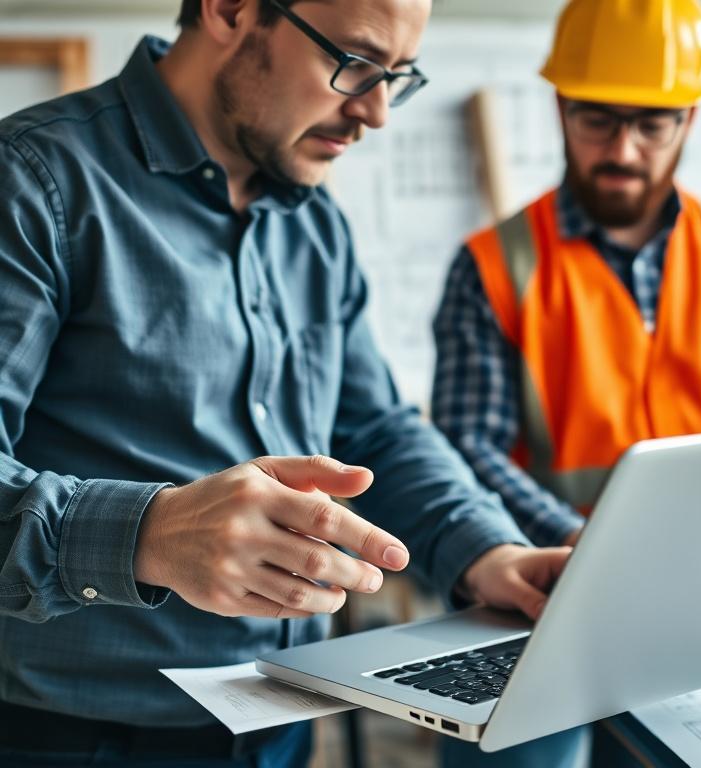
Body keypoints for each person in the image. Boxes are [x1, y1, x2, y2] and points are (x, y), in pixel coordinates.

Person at [0, 0, 571, 765]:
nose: (375, 113)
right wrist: (151, 535)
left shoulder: (315, 224)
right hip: (77, 740)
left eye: (396, 79)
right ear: (232, 11)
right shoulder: (36, 184)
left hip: (283, 721)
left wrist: (484, 553)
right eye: (355, 63)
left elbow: (374, 429)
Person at [432, 1, 701, 763]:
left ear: (689, 121)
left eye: (652, 123)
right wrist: (589, 544)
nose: (622, 148)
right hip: (541, 600)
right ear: (560, 108)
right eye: (597, 119)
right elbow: (467, 449)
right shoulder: (494, 268)